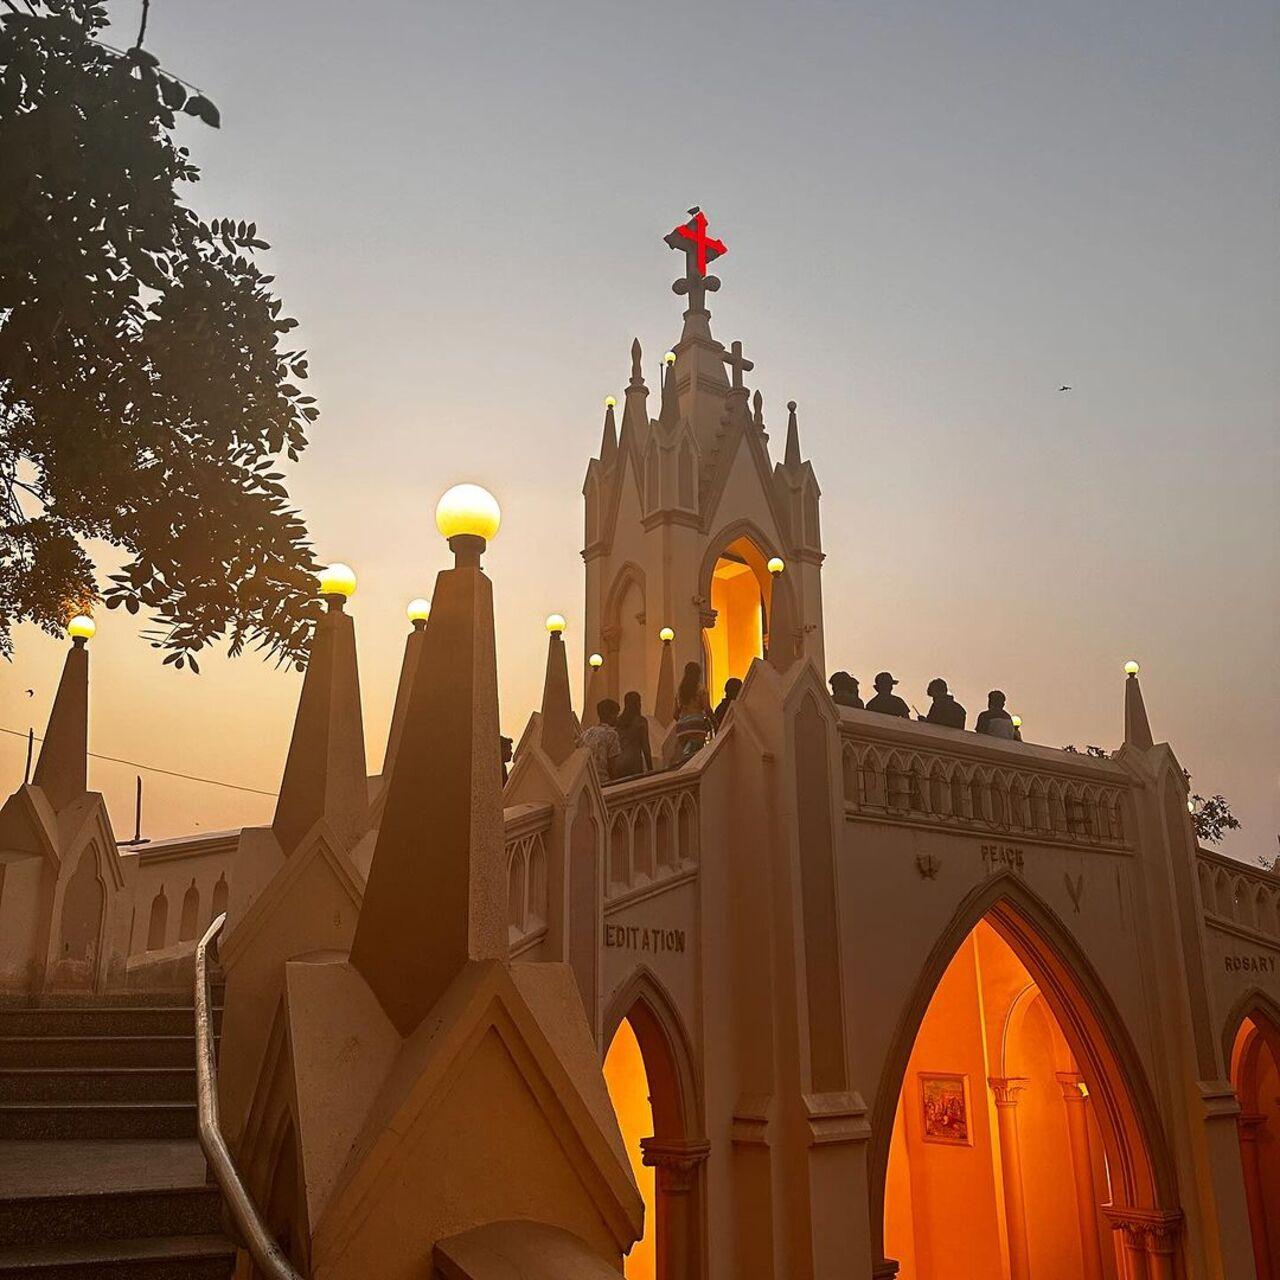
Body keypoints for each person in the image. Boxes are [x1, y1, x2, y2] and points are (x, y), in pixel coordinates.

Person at [673, 662, 713, 761]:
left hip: (682, 729)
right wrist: (716, 724)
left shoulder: (680, 692)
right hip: (696, 727)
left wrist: (684, 720)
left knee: (687, 757)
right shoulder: (701, 689)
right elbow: (707, 709)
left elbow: (675, 714)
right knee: (696, 758)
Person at [578, 698, 622, 779]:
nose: (617, 718)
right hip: (603, 781)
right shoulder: (612, 735)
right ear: (610, 715)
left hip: (587, 780)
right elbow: (613, 766)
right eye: (616, 715)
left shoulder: (586, 733)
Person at [614, 691, 653, 779]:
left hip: (618, 764)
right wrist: (651, 770)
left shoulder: (617, 721)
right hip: (634, 764)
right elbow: (646, 747)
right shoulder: (641, 721)